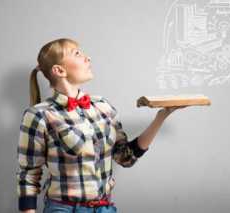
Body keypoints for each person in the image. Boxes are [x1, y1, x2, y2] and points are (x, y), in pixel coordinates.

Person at [16, 38, 186, 213]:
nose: (87, 58)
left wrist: (161, 117)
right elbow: (28, 175)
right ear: (59, 70)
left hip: (104, 208)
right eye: (77, 54)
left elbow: (125, 157)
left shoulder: (103, 107)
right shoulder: (38, 115)